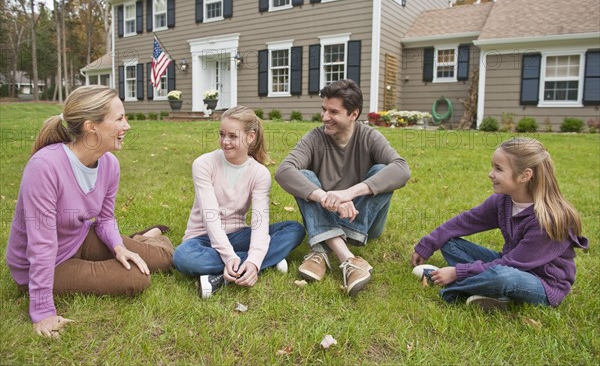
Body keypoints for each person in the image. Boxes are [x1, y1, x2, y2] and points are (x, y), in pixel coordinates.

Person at [6, 85, 174, 338]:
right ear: (91, 126)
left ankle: (144, 239)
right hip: (49, 263)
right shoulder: (44, 167)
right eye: (119, 119)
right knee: (137, 279)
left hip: (79, 237)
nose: (127, 126)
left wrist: (119, 247)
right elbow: (41, 244)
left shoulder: (109, 164)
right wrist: (42, 312)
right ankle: (141, 239)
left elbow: (105, 219)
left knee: (164, 260)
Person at [411, 137, 588, 310]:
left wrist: (457, 272)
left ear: (525, 175)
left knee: (503, 277)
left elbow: (512, 265)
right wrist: (427, 244)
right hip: (508, 264)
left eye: (498, 169)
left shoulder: (547, 219)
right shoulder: (503, 200)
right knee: (450, 243)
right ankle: (491, 293)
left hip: (541, 284)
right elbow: (464, 221)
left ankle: (455, 290)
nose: (491, 174)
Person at [275, 79, 411, 296]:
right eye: (323, 109)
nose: (325, 117)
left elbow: (402, 169)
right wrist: (324, 197)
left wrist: (348, 194)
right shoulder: (314, 137)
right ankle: (347, 257)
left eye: (333, 112)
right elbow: (283, 171)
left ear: (353, 114)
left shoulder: (369, 137)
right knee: (303, 176)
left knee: (382, 171)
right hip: (328, 211)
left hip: (365, 221)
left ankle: (321, 249)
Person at [172, 106, 305, 298]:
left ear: (250, 137)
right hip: (202, 238)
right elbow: (210, 217)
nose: (225, 142)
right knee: (183, 257)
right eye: (222, 134)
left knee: (294, 229)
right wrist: (229, 256)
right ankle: (267, 260)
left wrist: (254, 261)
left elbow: (259, 221)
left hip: (237, 234)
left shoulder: (259, 174)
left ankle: (235, 271)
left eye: (232, 136)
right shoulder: (204, 164)